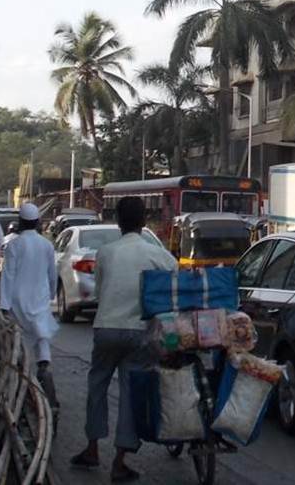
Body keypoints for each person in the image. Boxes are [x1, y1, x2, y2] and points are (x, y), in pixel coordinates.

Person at [72, 196, 177, 481]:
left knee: (97, 385)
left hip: (106, 327)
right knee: (131, 394)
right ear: (144, 221)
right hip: (140, 332)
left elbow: (101, 291)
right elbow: (174, 282)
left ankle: (92, 448)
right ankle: (120, 460)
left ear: (118, 221)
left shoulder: (106, 252)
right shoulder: (159, 254)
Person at [0, 203, 59, 408]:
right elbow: (53, 275)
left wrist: (4, 305)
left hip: (17, 302)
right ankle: (44, 370)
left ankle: (22, 384)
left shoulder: (15, 245)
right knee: (42, 338)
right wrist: (51, 294)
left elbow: (8, 275)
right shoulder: (47, 245)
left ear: (21, 222)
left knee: (21, 343)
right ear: (37, 222)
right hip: (40, 300)